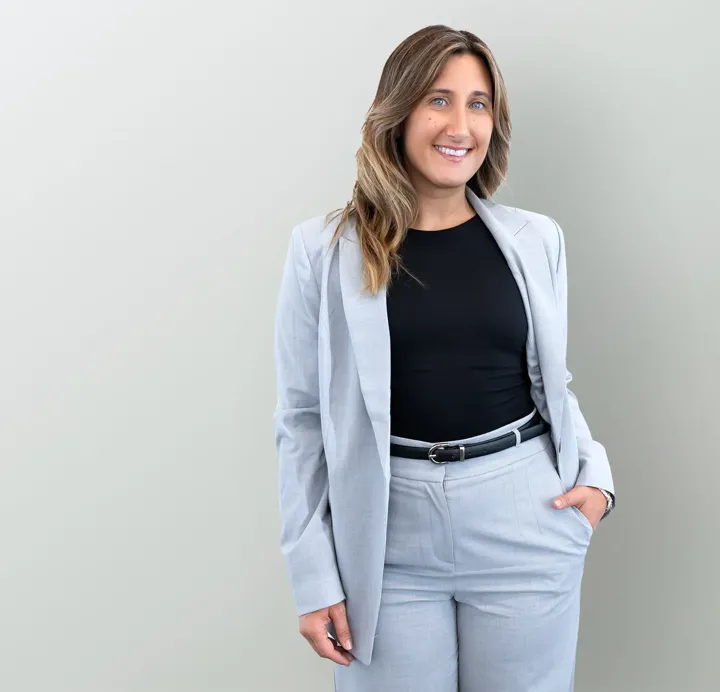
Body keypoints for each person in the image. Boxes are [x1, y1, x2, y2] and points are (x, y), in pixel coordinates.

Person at [272, 24, 616, 691]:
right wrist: (313, 575)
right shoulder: (323, 250)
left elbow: (554, 384)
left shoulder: (535, 240)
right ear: (398, 111)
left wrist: (596, 482)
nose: (460, 125)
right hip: (384, 534)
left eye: (478, 104)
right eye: (439, 100)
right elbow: (302, 418)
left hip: (523, 513)